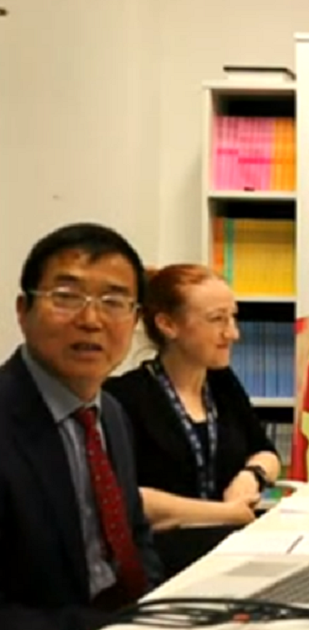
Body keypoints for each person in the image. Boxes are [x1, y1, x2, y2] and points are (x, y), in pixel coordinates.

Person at [0, 222, 163, 630]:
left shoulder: (111, 414)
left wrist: (156, 613)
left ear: (135, 319)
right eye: (66, 297)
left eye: (114, 301)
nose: (91, 320)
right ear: (23, 311)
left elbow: (135, 536)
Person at [103, 264, 280, 573]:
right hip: (164, 559)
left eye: (233, 317)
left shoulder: (222, 383)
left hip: (230, 542)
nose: (232, 333)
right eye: (217, 319)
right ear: (168, 325)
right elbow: (128, 498)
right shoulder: (122, 398)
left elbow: (266, 452)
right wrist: (225, 513)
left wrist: (251, 476)